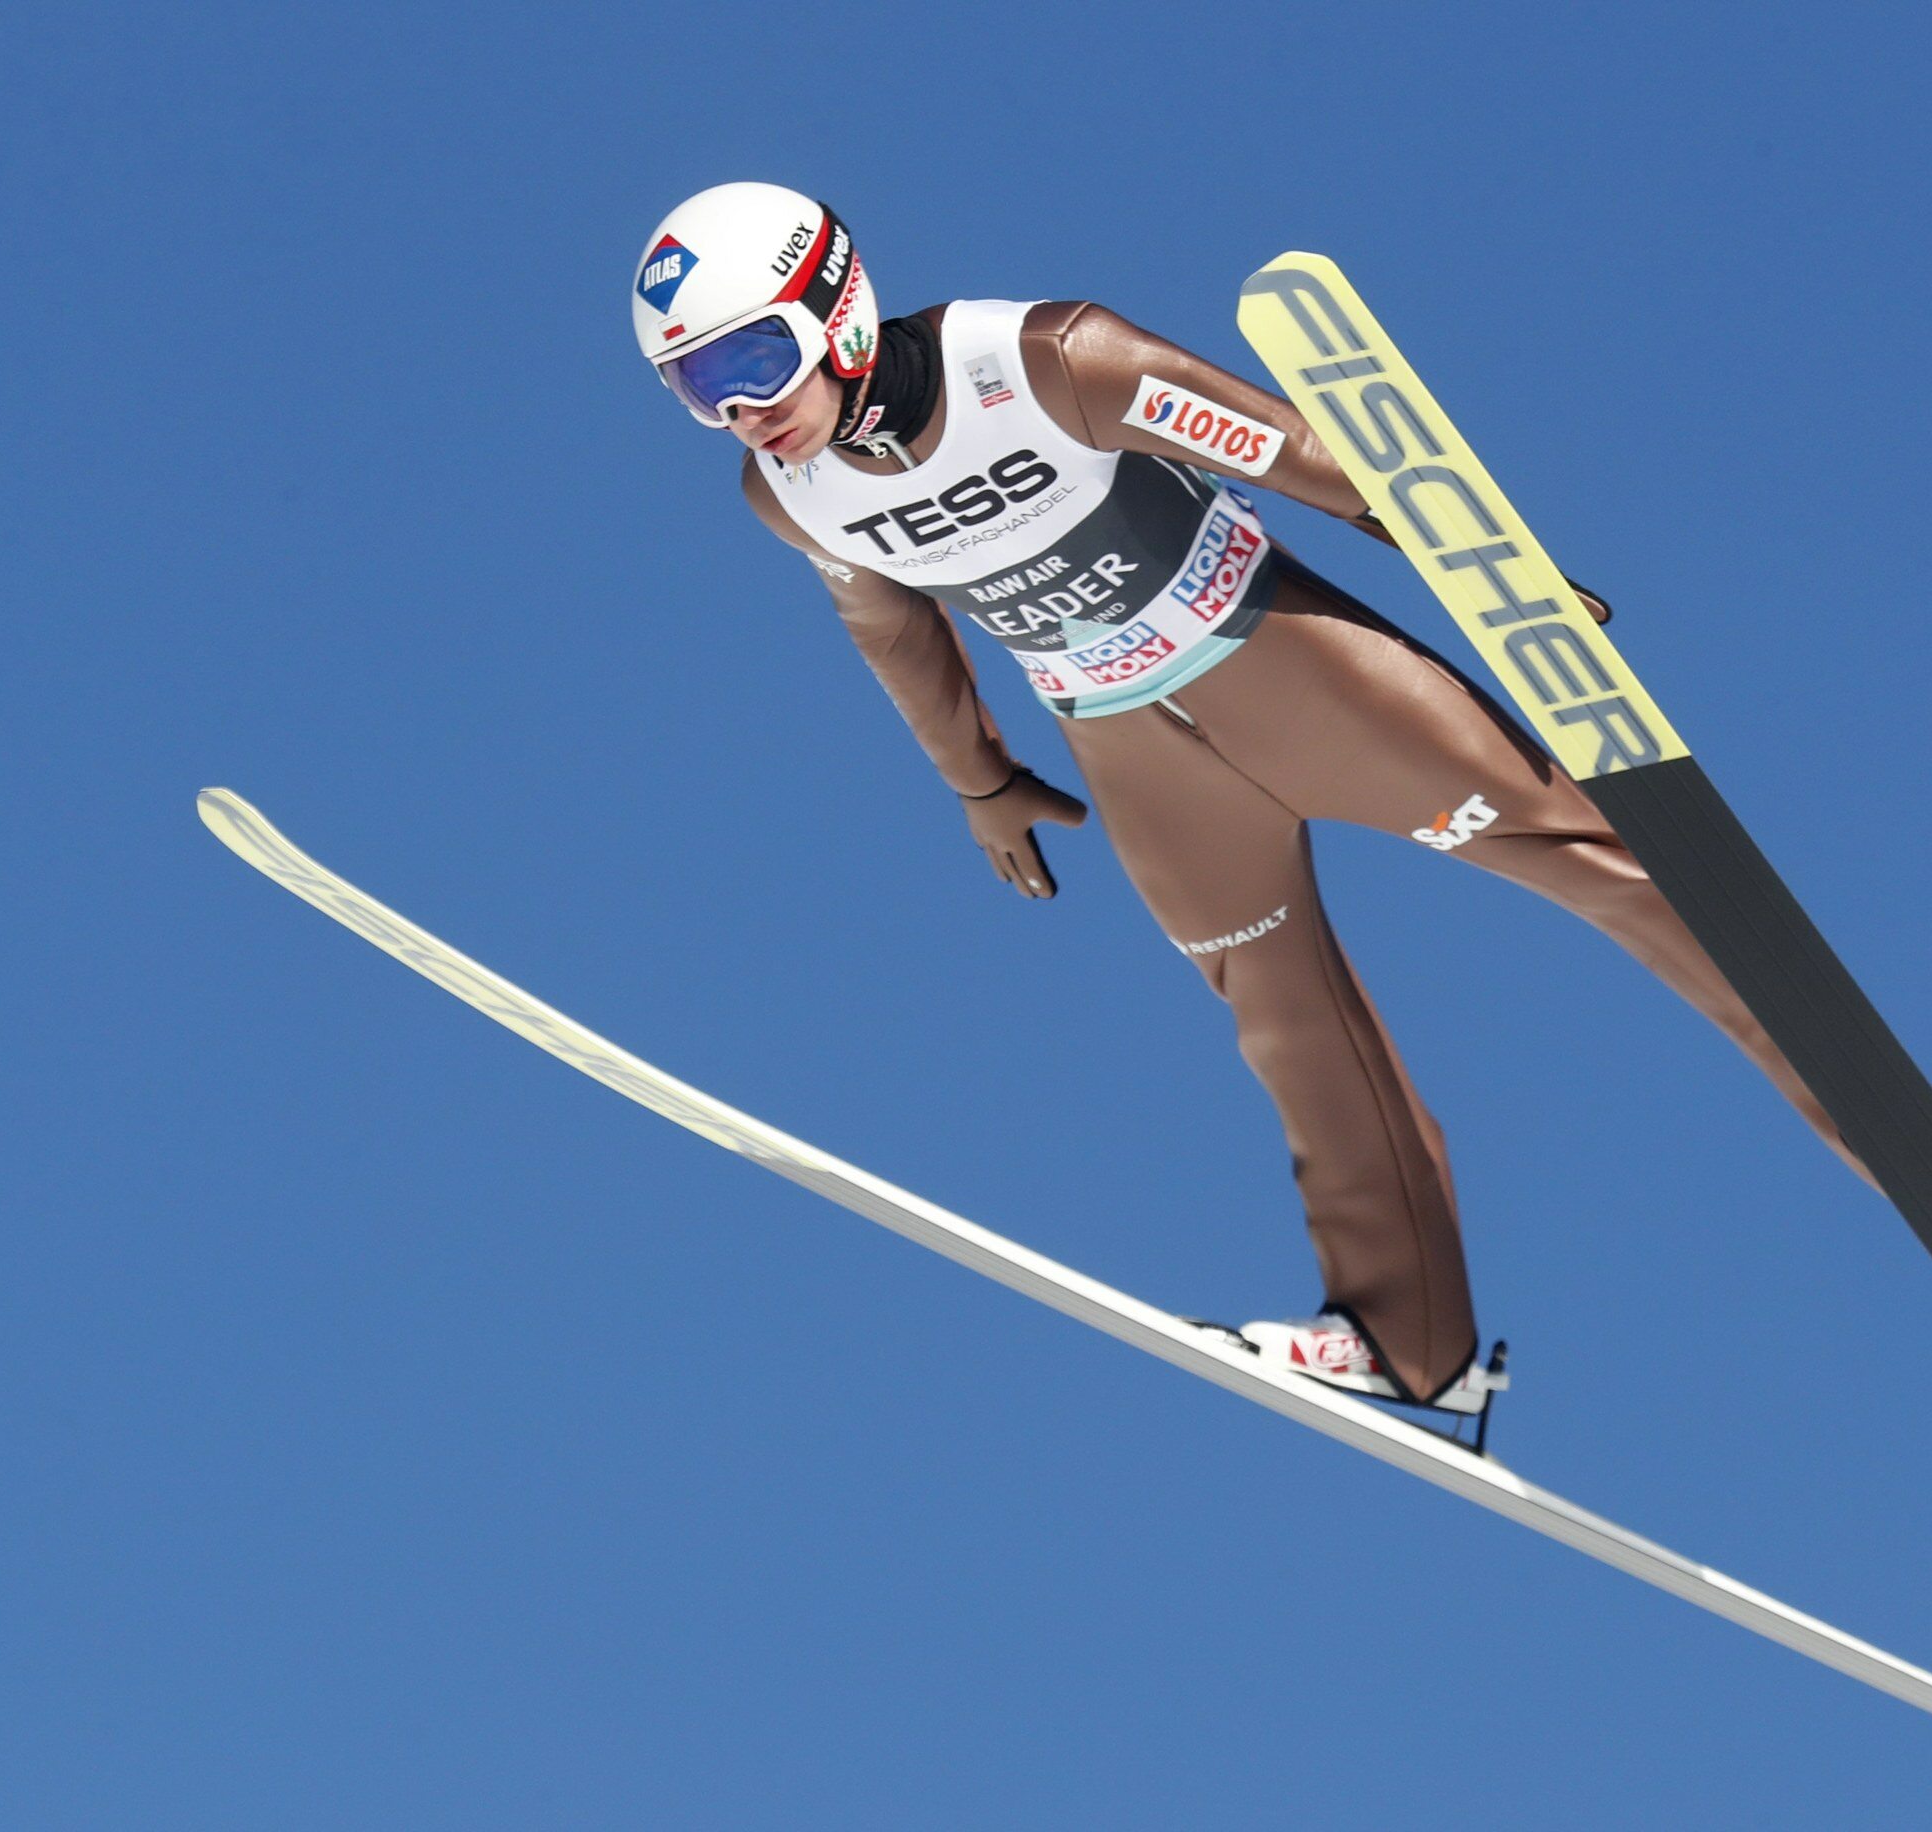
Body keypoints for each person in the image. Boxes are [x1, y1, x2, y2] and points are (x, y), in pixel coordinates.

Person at [633, 182, 1865, 1414]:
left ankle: (1857, 1101)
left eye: (752, 357)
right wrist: (981, 780)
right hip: (1137, 757)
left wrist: (1486, 562)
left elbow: (1294, 451)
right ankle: (1408, 1348)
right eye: (697, 386)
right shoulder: (790, 496)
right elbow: (893, 635)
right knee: (1283, 1025)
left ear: (835, 308)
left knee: (1593, 862)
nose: (742, 408)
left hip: (1291, 668)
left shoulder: (1045, 360)